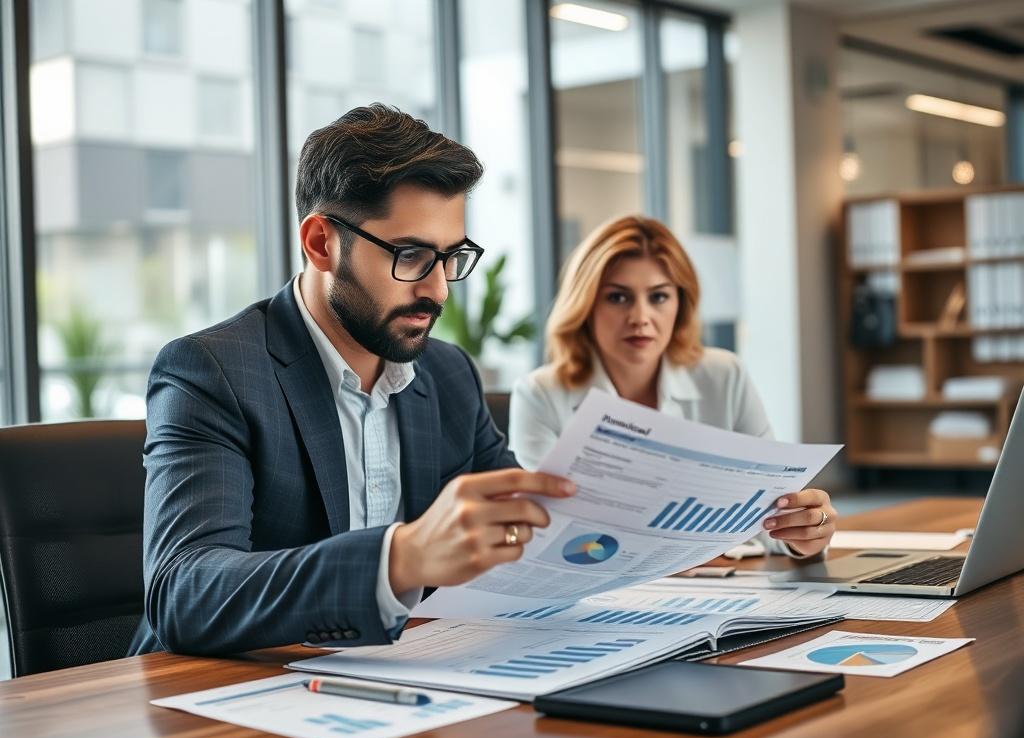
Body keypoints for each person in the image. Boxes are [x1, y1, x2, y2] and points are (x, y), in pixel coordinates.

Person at [128, 105, 574, 656]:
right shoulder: (212, 372)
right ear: (320, 243)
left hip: (401, 679)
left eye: (450, 257)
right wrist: (401, 557)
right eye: (410, 255)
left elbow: (522, 534)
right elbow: (186, 592)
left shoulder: (449, 374)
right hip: (219, 701)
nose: (439, 291)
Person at [509, 215, 836, 558]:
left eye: (659, 297)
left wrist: (803, 533)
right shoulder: (539, 395)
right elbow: (549, 533)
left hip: (716, 589)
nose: (640, 317)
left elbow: (770, 516)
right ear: (586, 305)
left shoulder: (724, 375)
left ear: (681, 304)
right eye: (618, 298)